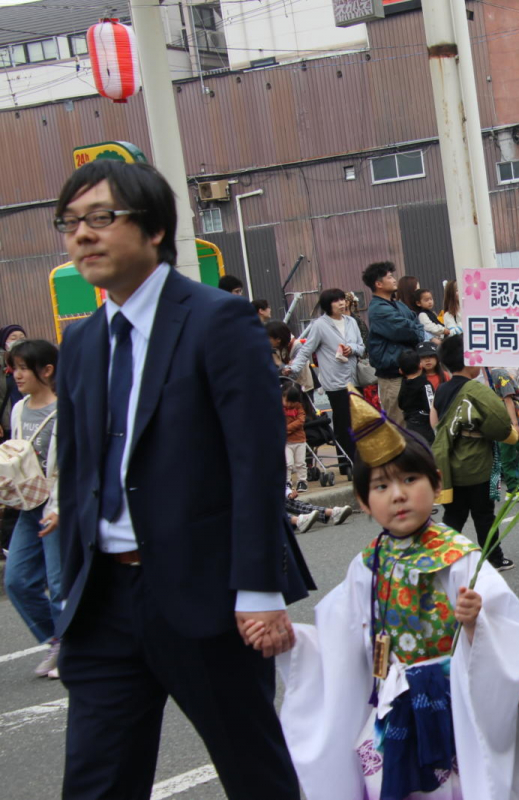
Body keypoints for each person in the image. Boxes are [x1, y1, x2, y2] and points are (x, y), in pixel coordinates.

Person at [52, 160, 312, 799]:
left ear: (154, 230)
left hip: (207, 596)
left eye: (101, 219)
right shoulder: (83, 343)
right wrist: (69, 584)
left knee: (255, 774)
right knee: (96, 781)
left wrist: (257, 587)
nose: (83, 235)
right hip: (105, 601)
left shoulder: (215, 321)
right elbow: (79, 470)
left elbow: (254, 461)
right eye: (71, 223)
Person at [273, 394, 519, 799]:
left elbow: (509, 634)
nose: (398, 495)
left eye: (409, 480)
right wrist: (293, 642)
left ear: (437, 484)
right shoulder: (367, 565)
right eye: (381, 486)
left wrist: (477, 624)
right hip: (393, 705)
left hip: (453, 702)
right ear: (364, 503)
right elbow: (341, 639)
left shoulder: (458, 559)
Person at [432, 334, 519, 571]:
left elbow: (434, 422)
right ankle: (494, 557)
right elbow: (500, 426)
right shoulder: (476, 390)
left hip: (450, 462)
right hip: (477, 462)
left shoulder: (441, 390)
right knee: (484, 515)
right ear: (470, 361)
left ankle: (442, 559)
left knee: (454, 515)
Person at [4, 339, 64, 678]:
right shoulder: (19, 409)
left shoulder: (63, 410)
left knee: (58, 584)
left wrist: (58, 508)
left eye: (23, 368)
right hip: (28, 506)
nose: (16, 374)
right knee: (16, 581)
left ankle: (70, 648)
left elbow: (68, 466)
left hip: (56, 508)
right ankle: (57, 640)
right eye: (14, 368)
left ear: (47, 370)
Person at [287, 288, 365, 473]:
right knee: (343, 419)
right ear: (327, 305)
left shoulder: (351, 322)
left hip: (353, 377)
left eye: (342, 300)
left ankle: (357, 460)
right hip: (335, 380)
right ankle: (347, 463)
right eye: (336, 301)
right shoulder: (320, 325)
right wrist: (294, 368)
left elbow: (362, 347)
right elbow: (307, 349)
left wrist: (351, 349)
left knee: (357, 419)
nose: (341, 303)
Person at [363, 261, 424, 427]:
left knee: (416, 422)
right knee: (400, 424)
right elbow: (407, 330)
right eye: (390, 277)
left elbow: (417, 326)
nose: (394, 279)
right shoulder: (378, 309)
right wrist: (416, 331)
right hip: (392, 376)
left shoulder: (398, 305)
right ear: (378, 284)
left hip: (410, 372)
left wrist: (417, 330)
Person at [486, 365, 519, 500]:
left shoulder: (488, 374)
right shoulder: (501, 373)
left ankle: (512, 489)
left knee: (507, 454)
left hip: (500, 419)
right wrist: (515, 424)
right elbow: (508, 399)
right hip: (515, 418)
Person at [397, 349, 437, 444]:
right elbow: (431, 406)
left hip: (410, 425)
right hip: (425, 428)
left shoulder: (404, 383)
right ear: (420, 365)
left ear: (401, 371)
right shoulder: (425, 385)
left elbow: (401, 403)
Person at [266, 321, 313, 394]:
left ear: (278, 339)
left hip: (302, 388)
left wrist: (279, 363)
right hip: (286, 389)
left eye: (268, 338)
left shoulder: (297, 346)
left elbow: (294, 374)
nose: (266, 341)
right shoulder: (275, 347)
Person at [0, 323, 26, 437]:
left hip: (27, 420)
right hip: (7, 423)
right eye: (13, 338)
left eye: (22, 338)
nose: (18, 341)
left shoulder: (32, 361)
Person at [283, 384, 309, 491]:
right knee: (287, 463)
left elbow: (300, 421)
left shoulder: (299, 408)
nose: (288, 404)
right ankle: (287, 482)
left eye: (291, 402)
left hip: (299, 440)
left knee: (300, 463)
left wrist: (286, 429)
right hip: (286, 441)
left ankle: (302, 481)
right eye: (286, 401)